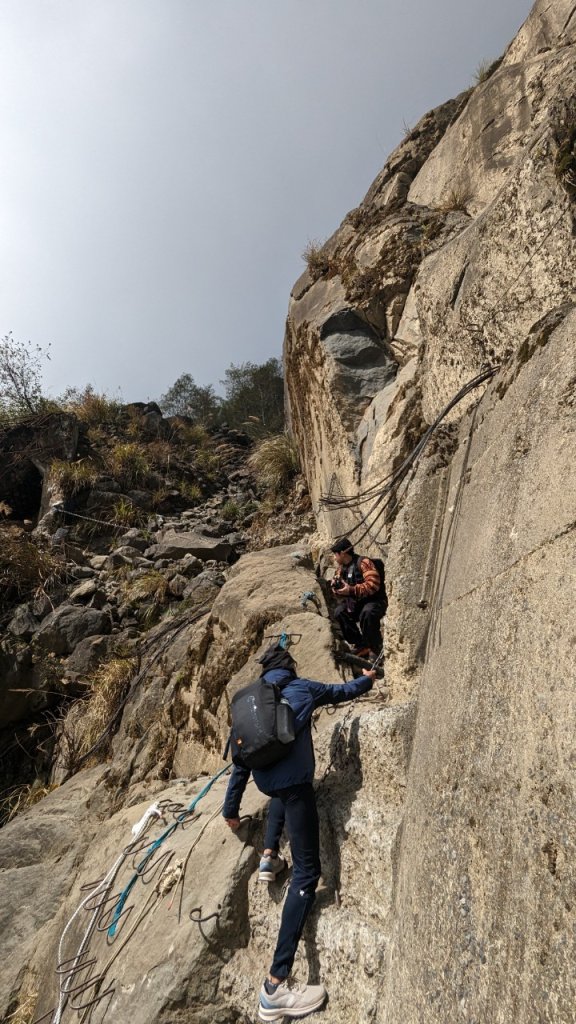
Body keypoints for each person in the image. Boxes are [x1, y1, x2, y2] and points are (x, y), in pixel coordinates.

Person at [222, 643, 375, 1022]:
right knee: (308, 874)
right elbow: (343, 692)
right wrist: (366, 681)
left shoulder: (251, 707)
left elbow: (239, 765)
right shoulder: (302, 689)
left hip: (269, 786)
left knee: (279, 792)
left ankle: (269, 858)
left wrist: (231, 812)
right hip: (294, 789)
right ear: (289, 666)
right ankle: (275, 984)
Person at [330, 537, 386, 659]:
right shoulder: (341, 569)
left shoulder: (364, 563)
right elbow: (340, 591)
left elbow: (373, 584)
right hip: (357, 603)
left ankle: (374, 648)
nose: (334, 557)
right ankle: (361, 644)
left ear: (342, 553)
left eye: (335, 554)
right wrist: (337, 589)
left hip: (375, 600)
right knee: (340, 612)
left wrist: (351, 589)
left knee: (367, 612)